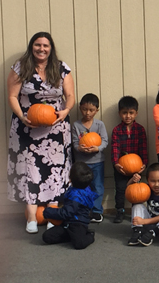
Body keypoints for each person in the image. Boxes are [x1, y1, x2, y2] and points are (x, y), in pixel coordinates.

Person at [7, 32, 75, 234]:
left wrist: (65, 111)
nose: (41, 49)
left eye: (45, 45)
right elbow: (12, 95)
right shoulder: (21, 67)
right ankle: (31, 218)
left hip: (56, 128)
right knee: (31, 171)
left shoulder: (61, 68)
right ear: (32, 46)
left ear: (51, 48)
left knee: (55, 171)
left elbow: (70, 95)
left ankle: (53, 216)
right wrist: (22, 115)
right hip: (27, 127)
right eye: (38, 45)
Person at [42, 162, 98, 250]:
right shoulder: (81, 187)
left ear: (71, 179)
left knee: (79, 244)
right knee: (47, 237)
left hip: (78, 224)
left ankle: (90, 235)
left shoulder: (76, 197)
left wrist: (48, 212)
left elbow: (66, 213)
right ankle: (71, 236)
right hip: (66, 224)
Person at [71, 93, 108, 223]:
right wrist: (80, 148)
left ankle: (97, 211)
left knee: (97, 186)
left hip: (97, 161)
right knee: (82, 188)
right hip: (82, 163)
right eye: (85, 109)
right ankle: (84, 210)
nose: (87, 113)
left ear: (97, 110)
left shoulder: (99, 125)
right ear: (80, 108)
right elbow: (75, 142)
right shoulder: (76, 125)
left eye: (91, 110)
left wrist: (97, 148)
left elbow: (104, 141)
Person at [112, 96, 148, 223]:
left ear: (136, 113)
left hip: (136, 166)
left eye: (131, 113)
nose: (128, 116)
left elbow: (143, 147)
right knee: (121, 189)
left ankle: (136, 210)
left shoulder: (140, 129)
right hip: (121, 167)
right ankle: (120, 210)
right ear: (119, 113)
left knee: (136, 190)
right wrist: (116, 163)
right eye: (124, 113)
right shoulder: (117, 130)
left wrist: (144, 163)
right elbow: (115, 147)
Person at [127, 163, 159, 246]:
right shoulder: (147, 189)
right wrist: (132, 181)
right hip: (148, 222)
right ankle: (137, 231)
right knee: (137, 205)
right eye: (153, 181)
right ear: (148, 180)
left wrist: (144, 221)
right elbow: (130, 191)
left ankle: (152, 234)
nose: (156, 185)